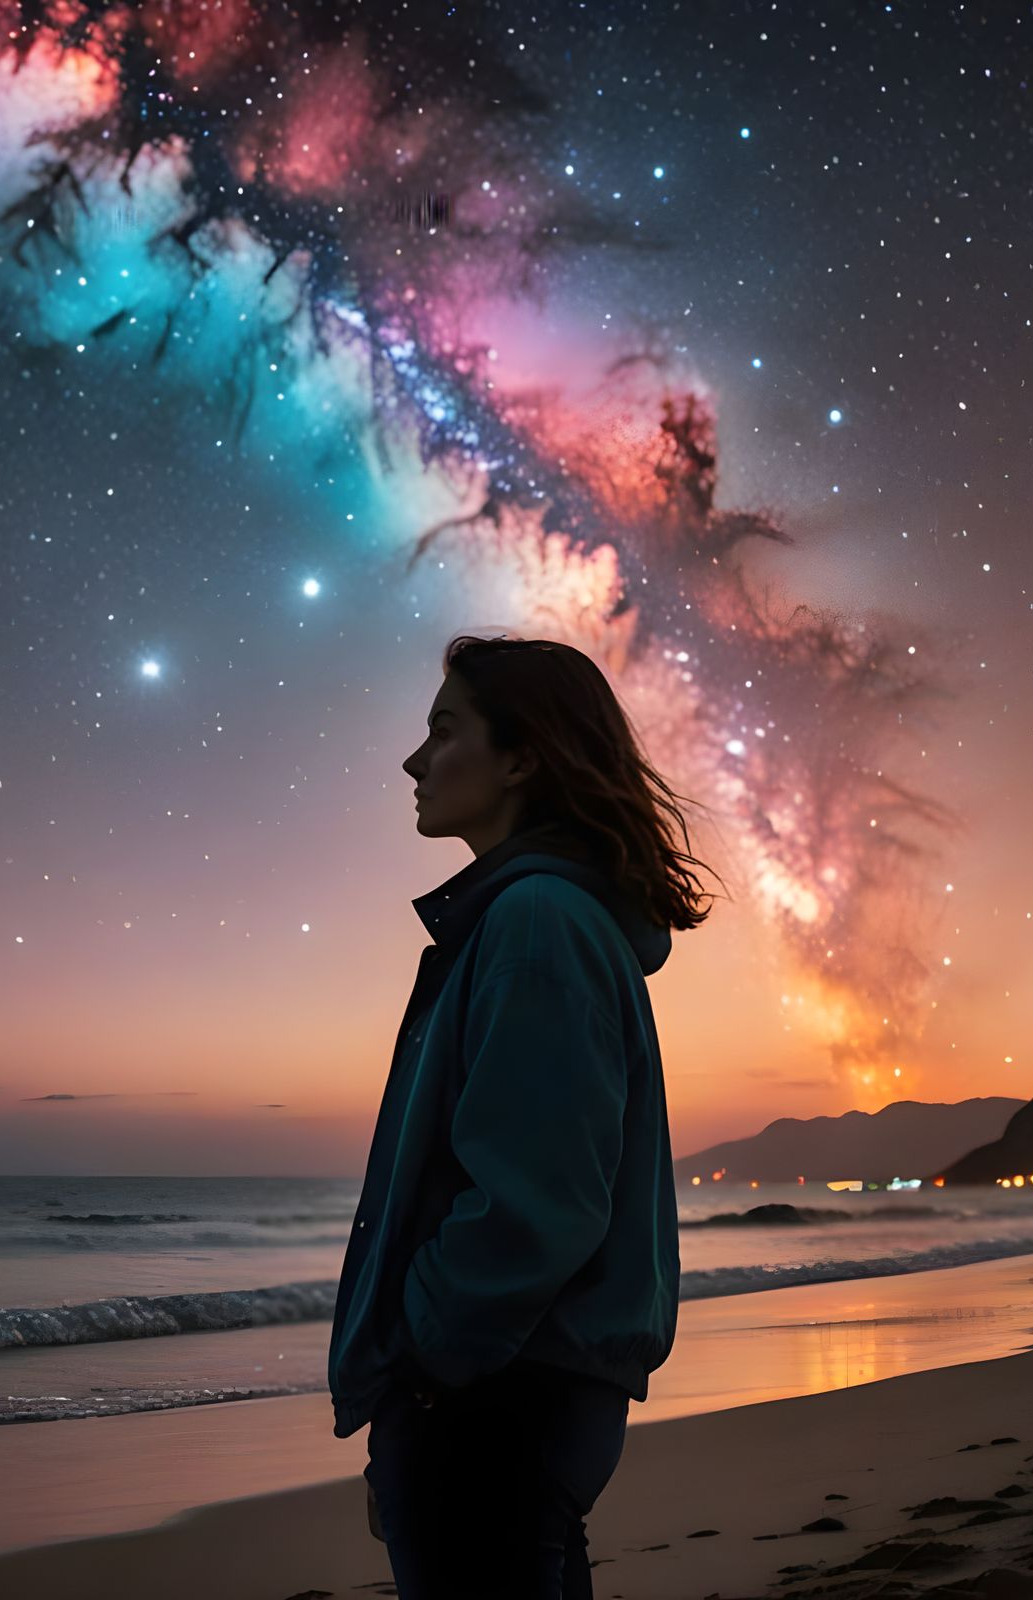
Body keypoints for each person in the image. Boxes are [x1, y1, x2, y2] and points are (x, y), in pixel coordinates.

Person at [327, 633, 724, 1598]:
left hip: (497, 1394)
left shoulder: (536, 920)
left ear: (521, 758)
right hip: (520, 1387)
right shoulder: (539, 918)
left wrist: (424, 1374)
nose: (414, 761)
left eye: (443, 731)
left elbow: (536, 1203)